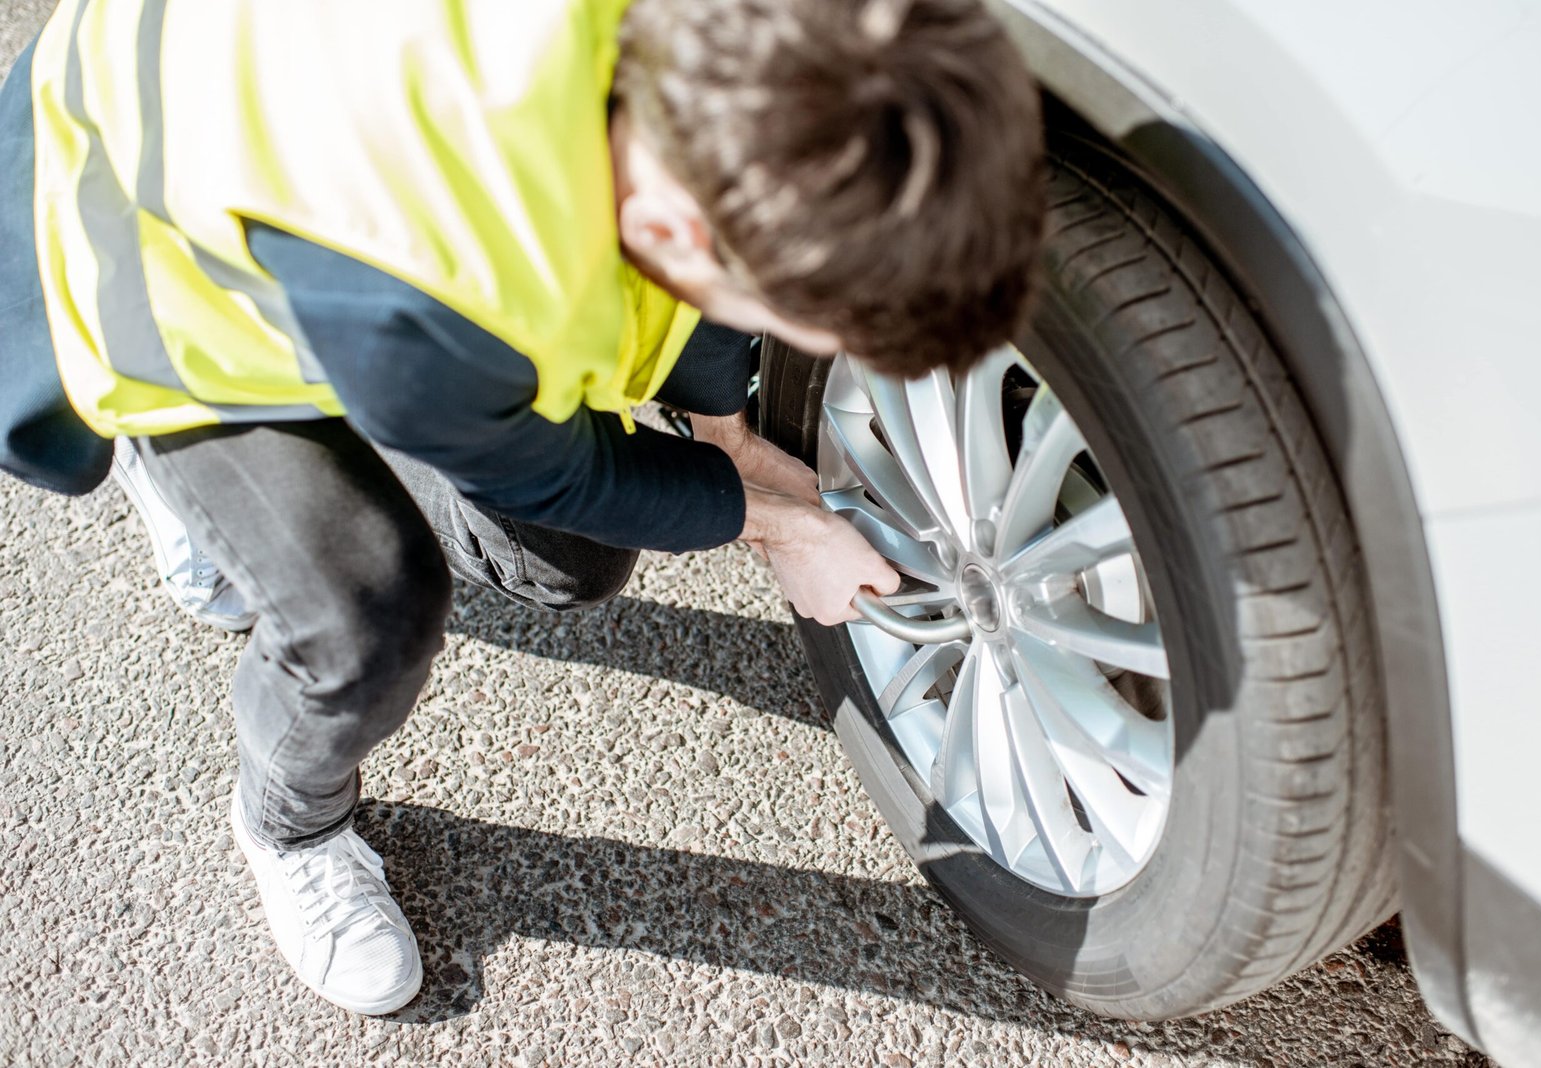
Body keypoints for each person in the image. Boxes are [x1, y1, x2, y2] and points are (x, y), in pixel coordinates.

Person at [0, 0, 1044, 1015]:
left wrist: (728, 442)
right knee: (366, 614)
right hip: (153, 237)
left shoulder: (727, 58)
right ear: (673, 224)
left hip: (343, 197)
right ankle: (288, 823)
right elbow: (550, 472)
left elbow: (694, 286)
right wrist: (781, 525)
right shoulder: (431, 293)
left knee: (571, 561)